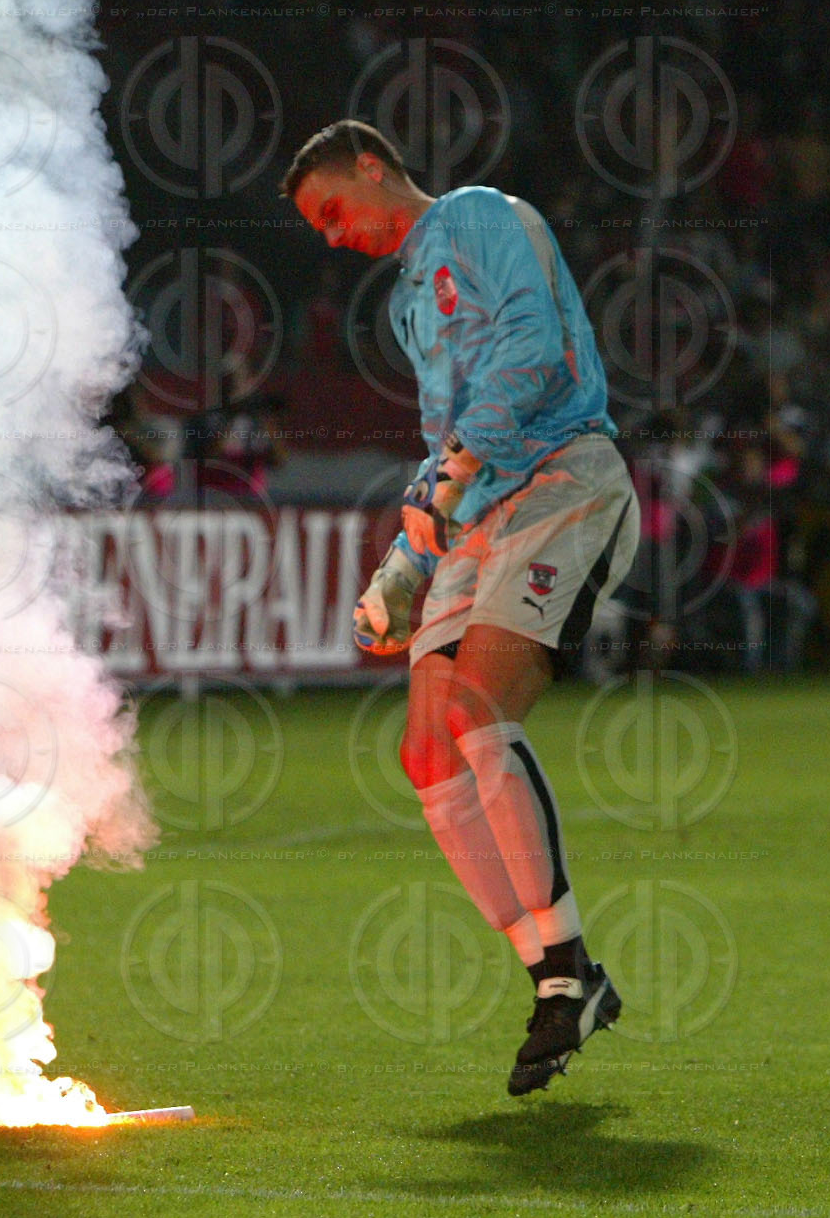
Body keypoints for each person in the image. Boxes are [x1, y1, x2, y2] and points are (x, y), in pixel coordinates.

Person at [282, 119, 640, 1097]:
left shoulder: (479, 216)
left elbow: (534, 343)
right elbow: (443, 442)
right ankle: (561, 973)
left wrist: (455, 471)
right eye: (319, 227)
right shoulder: (411, 299)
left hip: (562, 480)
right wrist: (404, 563)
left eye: (332, 210)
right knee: (427, 752)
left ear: (372, 166)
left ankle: (564, 978)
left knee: (478, 711)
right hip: (478, 515)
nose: (332, 235)